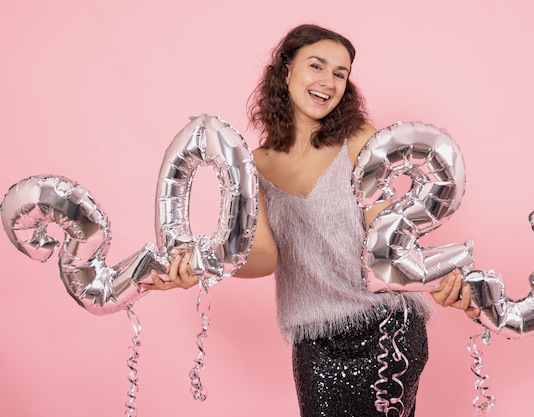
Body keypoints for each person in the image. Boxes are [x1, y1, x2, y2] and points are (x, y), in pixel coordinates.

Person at [143, 24, 479, 417]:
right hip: (316, 341)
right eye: (317, 66)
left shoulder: (360, 141)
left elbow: (387, 239)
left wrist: (445, 283)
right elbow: (265, 256)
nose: (328, 82)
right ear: (286, 70)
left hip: (388, 330)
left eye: (340, 73)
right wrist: (201, 265)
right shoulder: (256, 166)